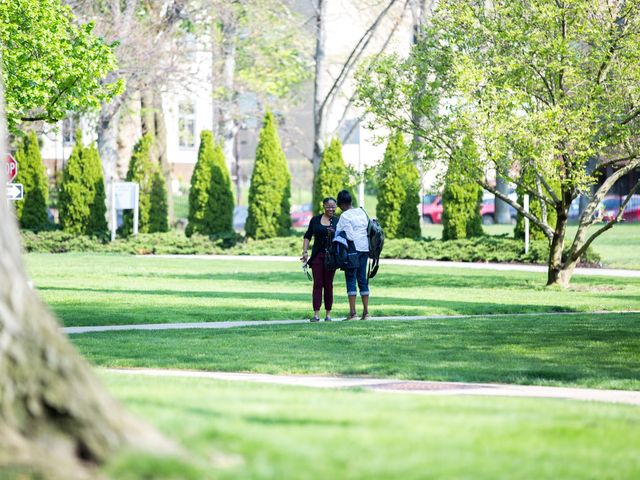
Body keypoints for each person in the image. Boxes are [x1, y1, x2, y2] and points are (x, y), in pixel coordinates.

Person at [301, 197, 339, 322]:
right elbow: (307, 236)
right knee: (317, 284)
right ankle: (316, 314)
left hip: (331, 258)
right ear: (323, 206)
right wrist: (305, 252)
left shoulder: (338, 221)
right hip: (317, 256)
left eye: (333, 206)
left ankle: (328, 314)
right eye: (328, 206)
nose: (331, 209)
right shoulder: (315, 220)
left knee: (328, 285)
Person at [335, 190, 370, 320]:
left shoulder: (345, 216)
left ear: (342, 204)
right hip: (365, 249)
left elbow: (348, 235)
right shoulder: (362, 211)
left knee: (351, 280)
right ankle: (366, 313)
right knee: (362, 279)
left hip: (352, 251)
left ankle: (353, 313)